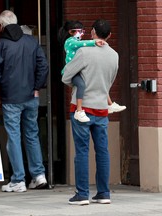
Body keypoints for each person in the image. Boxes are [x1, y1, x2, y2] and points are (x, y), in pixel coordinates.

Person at [0, 10, 49, 192]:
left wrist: (3, 83)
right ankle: (39, 176)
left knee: (14, 136)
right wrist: (37, 87)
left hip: (11, 97)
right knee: (32, 134)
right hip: (32, 96)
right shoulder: (31, 42)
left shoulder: (1, 45)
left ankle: (18, 180)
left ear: (1, 25)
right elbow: (43, 66)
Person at [61, 19, 118, 205]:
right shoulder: (114, 55)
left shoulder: (83, 52)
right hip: (102, 107)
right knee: (102, 151)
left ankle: (82, 194)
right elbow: (110, 81)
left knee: (82, 151)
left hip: (82, 107)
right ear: (109, 35)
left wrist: (78, 86)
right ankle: (104, 193)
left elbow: (66, 75)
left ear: (92, 32)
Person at [60, 20, 126, 122]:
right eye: (77, 31)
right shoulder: (70, 42)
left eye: (82, 31)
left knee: (98, 84)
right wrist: (93, 42)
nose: (80, 34)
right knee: (82, 84)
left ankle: (110, 104)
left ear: (92, 32)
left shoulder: (82, 48)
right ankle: (79, 110)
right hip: (73, 71)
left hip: (92, 101)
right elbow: (82, 43)